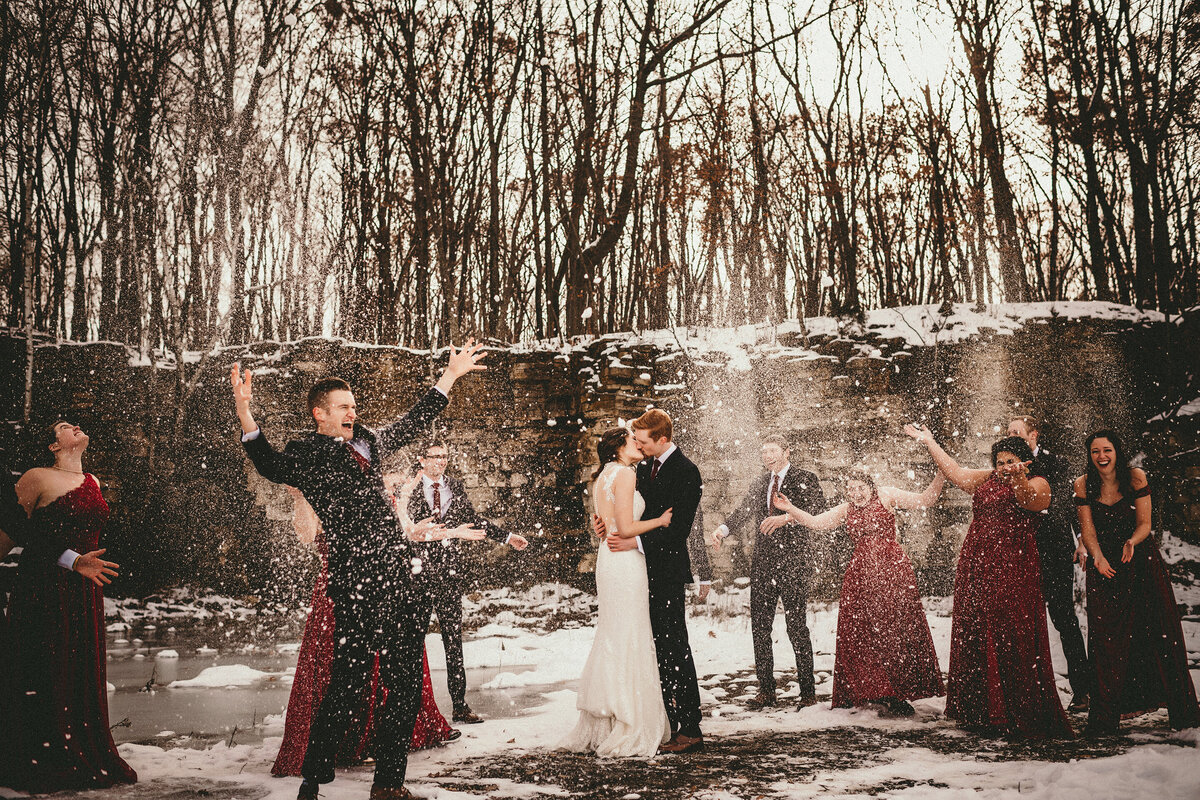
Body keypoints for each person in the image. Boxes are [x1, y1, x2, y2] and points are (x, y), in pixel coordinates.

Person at [233, 340, 486, 800]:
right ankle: (313, 777)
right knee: (348, 683)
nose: (352, 413)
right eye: (343, 407)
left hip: (399, 577)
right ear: (319, 414)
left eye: (354, 406)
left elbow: (411, 422)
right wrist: (246, 413)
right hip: (356, 582)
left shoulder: (368, 440)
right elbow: (268, 463)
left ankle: (388, 784)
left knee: (405, 681)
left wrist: (449, 377)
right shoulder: (307, 454)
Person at [272, 479, 474, 778]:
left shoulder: (379, 498)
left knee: (386, 668)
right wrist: (301, 497)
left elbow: (408, 532)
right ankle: (346, 744)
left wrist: (451, 531)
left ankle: (380, 741)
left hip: (382, 588)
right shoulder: (324, 498)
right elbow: (305, 535)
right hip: (340, 591)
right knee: (344, 667)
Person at [904, 423, 1071, 738]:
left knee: (1012, 633)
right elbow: (954, 472)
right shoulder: (988, 478)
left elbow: (1028, 501)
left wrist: (1018, 476)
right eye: (1001, 462)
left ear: (1025, 461)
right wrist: (930, 441)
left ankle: (1015, 707)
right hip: (978, 564)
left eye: (1011, 461)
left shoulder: (1039, 482)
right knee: (979, 630)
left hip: (1014, 567)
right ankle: (982, 707)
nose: (1005, 467)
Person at [0, 421, 137, 793]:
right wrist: (70, 559)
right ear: (52, 446)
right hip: (45, 587)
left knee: (78, 667)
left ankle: (79, 747)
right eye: (63, 427)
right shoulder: (36, 477)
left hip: (84, 589)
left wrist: (81, 564)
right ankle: (43, 755)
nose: (74, 426)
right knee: (49, 667)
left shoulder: (92, 480)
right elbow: (15, 537)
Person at [773, 466, 945, 717]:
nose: (856, 494)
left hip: (892, 571)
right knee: (863, 632)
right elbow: (817, 522)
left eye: (860, 488)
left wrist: (942, 473)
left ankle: (897, 688)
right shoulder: (846, 509)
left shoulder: (886, 495)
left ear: (871, 486)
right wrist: (791, 510)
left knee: (894, 628)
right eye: (851, 489)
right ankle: (876, 688)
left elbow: (926, 499)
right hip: (861, 575)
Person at [1074, 430, 1200, 736]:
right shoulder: (1083, 484)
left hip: (1139, 561)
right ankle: (1104, 721)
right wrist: (1098, 557)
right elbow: (1087, 530)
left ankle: (1183, 715)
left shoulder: (1135, 478)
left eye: (1107, 450)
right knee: (1106, 641)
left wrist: (1131, 541)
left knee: (1159, 632)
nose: (1101, 457)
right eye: (1095, 452)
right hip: (1105, 567)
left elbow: (1145, 523)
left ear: (1117, 452)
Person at [562, 427, 673, 758]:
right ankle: (629, 718)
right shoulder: (624, 474)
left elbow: (604, 525)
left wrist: (606, 529)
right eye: (632, 440)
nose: (637, 444)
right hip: (624, 559)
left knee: (614, 633)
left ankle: (608, 718)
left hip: (608, 557)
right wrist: (661, 521)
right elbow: (624, 529)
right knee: (630, 634)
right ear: (619, 448)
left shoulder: (603, 476)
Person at [605, 409, 707, 753]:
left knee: (673, 644)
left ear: (662, 439)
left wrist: (633, 541)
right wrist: (610, 526)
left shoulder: (686, 472)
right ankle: (663, 720)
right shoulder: (644, 465)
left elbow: (678, 530)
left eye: (644, 441)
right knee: (649, 648)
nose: (639, 445)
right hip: (636, 572)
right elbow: (636, 514)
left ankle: (690, 727)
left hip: (665, 572)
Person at [406, 441, 528, 724]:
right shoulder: (409, 490)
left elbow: (472, 520)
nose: (441, 461)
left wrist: (507, 537)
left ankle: (459, 705)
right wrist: (448, 533)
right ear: (421, 460)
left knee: (453, 638)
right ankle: (413, 709)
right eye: (435, 456)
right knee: (413, 642)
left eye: (445, 456)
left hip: (449, 573)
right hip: (417, 574)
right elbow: (409, 530)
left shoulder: (454, 486)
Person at [711, 434, 827, 709]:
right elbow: (743, 511)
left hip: (793, 563)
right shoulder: (761, 482)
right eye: (764, 452)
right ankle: (766, 690)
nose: (767, 456)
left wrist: (787, 517)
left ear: (787, 452)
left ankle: (808, 693)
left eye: (773, 450)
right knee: (760, 627)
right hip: (763, 564)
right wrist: (722, 530)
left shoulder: (806, 478)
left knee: (796, 627)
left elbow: (818, 512)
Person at [1008, 416, 1091, 711]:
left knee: (1063, 618)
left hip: (1053, 549)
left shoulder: (1056, 463)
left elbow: (1069, 505)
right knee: (1019, 621)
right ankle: (1023, 694)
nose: (1012, 436)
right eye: (1009, 432)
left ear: (1033, 435)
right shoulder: (1004, 464)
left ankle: (1083, 691)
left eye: (1017, 432)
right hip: (1016, 552)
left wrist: (1081, 539)